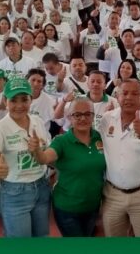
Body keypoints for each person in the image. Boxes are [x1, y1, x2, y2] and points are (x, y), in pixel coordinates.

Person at [30, 97, 105, 237]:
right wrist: (36, 151)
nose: (83, 118)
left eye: (87, 114)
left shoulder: (100, 138)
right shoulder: (62, 141)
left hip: (93, 206)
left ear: (93, 116)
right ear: (69, 117)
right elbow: (44, 158)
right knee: (76, 250)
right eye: (77, 114)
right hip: (67, 208)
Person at [0, 78, 52, 237]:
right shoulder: (0, 127)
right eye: (13, 100)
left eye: (24, 99)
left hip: (42, 187)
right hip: (15, 193)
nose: (19, 105)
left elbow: (47, 149)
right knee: (20, 247)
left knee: (42, 239)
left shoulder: (37, 121)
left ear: (31, 100)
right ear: (5, 101)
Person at [97, 80, 140, 237]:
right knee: (115, 246)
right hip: (112, 195)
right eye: (124, 93)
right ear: (117, 96)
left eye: (135, 94)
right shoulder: (106, 119)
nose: (129, 98)